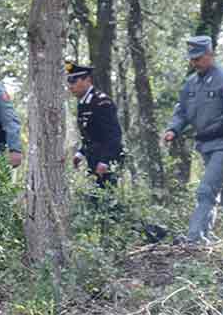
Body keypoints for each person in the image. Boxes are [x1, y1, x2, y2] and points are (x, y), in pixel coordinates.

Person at [164, 36, 223, 246]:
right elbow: (182, 111)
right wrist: (173, 129)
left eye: (198, 58)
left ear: (210, 54)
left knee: (206, 191)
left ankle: (196, 238)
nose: (194, 63)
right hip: (205, 147)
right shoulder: (191, 83)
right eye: (192, 59)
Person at [66, 61, 166, 243]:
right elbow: (90, 135)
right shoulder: (83, 103)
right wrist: (80, 154)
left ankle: (150, 232)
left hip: (108, 159)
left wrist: (104, 161)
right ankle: (137, 234)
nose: (70, 86)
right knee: (100, 202)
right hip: (94, 159)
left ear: (87, 80)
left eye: (74, 81)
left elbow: (114, 136)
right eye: (69, 81)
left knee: (106, 202)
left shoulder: (101, 101)